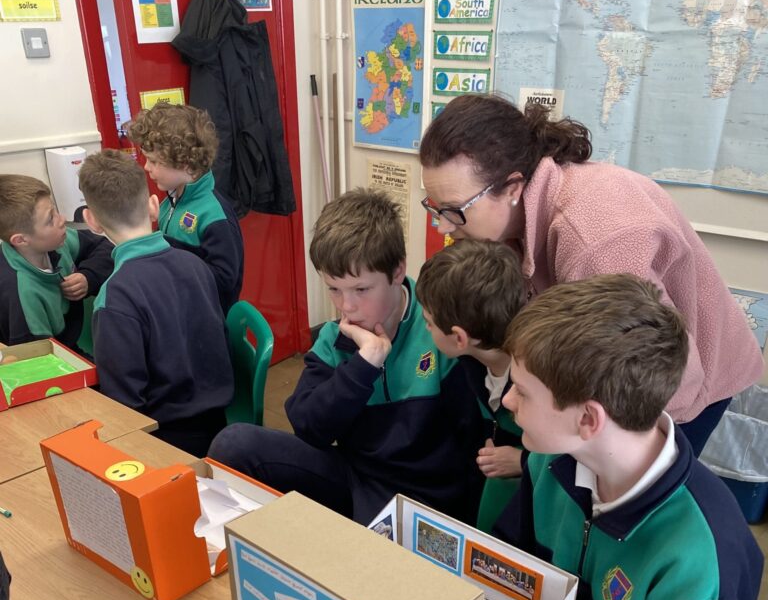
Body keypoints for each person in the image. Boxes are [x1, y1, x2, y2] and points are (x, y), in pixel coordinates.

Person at [493, 273, 764, 600]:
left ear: (588, 420)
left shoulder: (702, 556)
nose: (507, 400)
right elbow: (507, 572)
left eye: (523, 392)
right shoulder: (549, 462)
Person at [419, 94, 764, 455]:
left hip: (682, 387)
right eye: (436, 208)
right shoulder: (522, 211)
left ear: (513, 188)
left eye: (455, 210)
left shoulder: (594, 242)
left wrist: (613, 456)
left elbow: (660, 380)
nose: (443, 226)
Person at [209, 188, 485, 526]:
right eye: (334, 289)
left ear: (397, 271)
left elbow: (473, 450)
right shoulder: (335, 336)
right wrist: (363, 366)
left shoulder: (439, 331)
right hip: (356, 477)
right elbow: (310, 429)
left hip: (425, 500)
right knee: (234, 444)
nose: (347, 307)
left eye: (361, 289)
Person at [77, 149, 233, 457]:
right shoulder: (197, 265)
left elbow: (124, 404)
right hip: (217, 423)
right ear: (152, 205)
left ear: (91, 221)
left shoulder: (114, 297)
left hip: (162, 440)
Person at [415, 239, 526, 531]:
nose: (425, 329)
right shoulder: (470, 363)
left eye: (429, 322)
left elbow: (576, 452)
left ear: (459, 338)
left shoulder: (539, 378)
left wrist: (523, 460)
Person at [126, 103, 244, 313]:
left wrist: (169, 255)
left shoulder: (214, 216)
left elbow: (224, 281)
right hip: (177, 307)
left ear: (186, 164)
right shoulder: (170, 202)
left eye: (154, 161)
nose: (146, 167)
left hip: (204, 318)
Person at [0, 174, 112, 351]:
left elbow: (104, 248)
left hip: (70, 340)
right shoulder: (22, 294)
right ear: (21, 240)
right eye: (50, 219)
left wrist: (88, 276)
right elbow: (40, 358)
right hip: (50, 355)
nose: (62, 219)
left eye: (55, 211)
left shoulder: (56, 242)